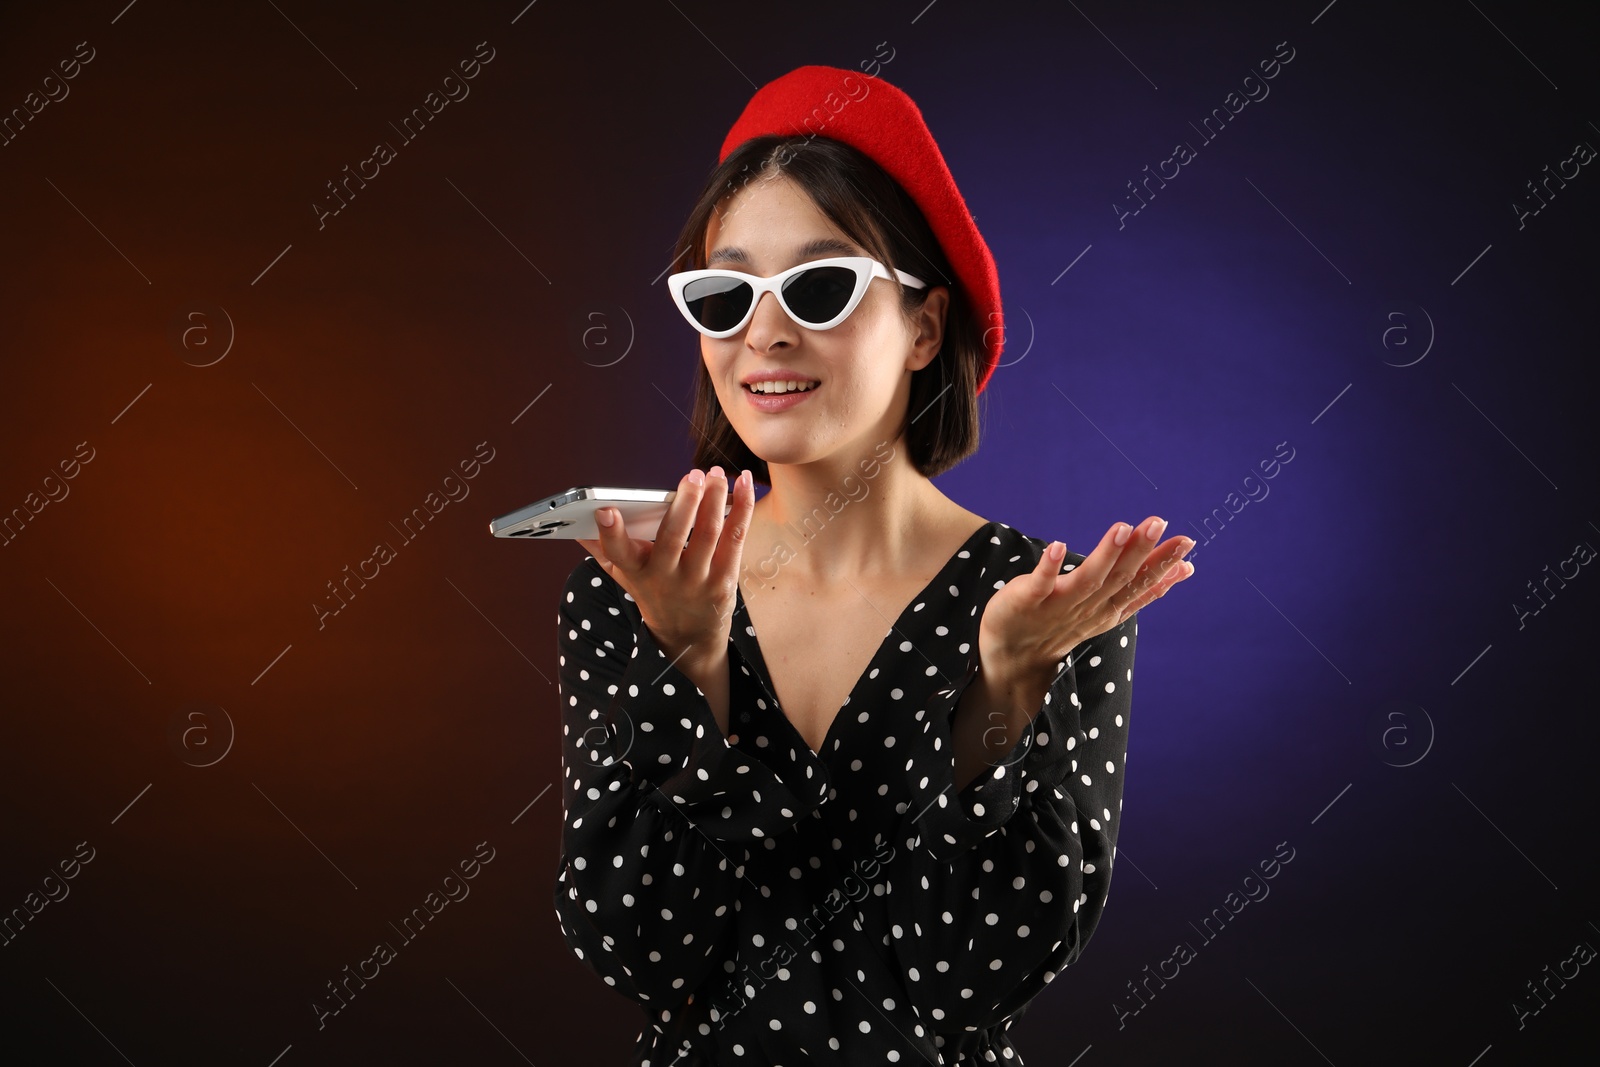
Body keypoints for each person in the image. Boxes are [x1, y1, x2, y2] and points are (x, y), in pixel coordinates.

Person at [553, 65, 1196, 1064]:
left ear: (924, 327)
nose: (763, 330)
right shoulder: (631, 582)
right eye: (726, 292)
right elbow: (646, 950)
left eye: (817, 283)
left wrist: (1006, 687)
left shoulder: (1054, 602)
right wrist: (688, 660)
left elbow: (971, 975)